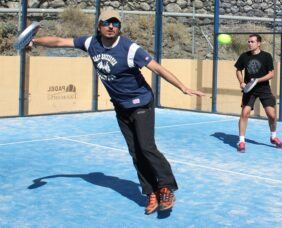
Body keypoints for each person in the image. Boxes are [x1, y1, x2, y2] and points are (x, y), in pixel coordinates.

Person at [28, 9, 205, 214]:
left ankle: (165, 187)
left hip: (141, 104)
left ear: (120, 27)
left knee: (146, 147)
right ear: (99, 26)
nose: (111, 27)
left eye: (115, 23)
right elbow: (59, 42)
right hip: (120, 106)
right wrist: (35, 40)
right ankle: (151, 193)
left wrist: (182, 87)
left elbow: (157, 68)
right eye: (106, 23)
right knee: (135, 152)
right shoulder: (90, 43)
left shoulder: (130, 49)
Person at [234, 34, 282, 153]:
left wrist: (257, 80)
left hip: (264, 88)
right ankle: (241, 141)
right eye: (249, 42)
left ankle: (273, 137)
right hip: (249, 89)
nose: (249, 44)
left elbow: (271, 74)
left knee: (271, 115)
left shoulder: (266, 56)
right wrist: (241, 82)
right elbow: (238, 70)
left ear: (258, 43)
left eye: (252, 42)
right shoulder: (244, 56)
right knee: (245, 113)